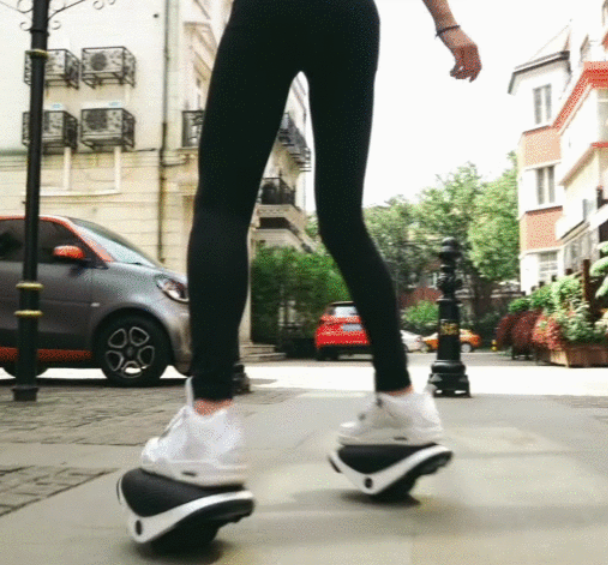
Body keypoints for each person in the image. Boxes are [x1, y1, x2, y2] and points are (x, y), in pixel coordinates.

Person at [140, 0, 482, 487]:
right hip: (350, 18)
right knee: (344, 220)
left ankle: (209, 423)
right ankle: (402, 403)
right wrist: (447, 24)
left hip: (269, 12)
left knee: (222, 208)